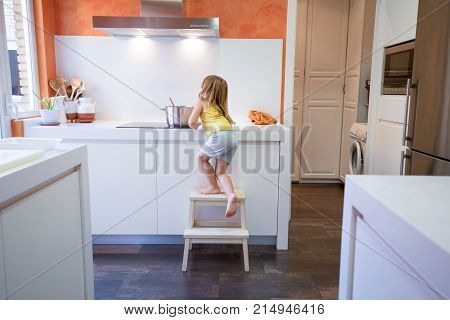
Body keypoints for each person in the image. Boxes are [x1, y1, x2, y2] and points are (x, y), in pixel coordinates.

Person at [188, 75, 239, 218]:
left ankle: (213, 187)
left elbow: (191, 122)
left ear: (206, 89)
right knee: (221, 172)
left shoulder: (202, 100)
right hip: (232, 137)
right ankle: (231, 196)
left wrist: (197, 125)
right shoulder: (221, 108)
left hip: (220, 136)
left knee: (201, 158)